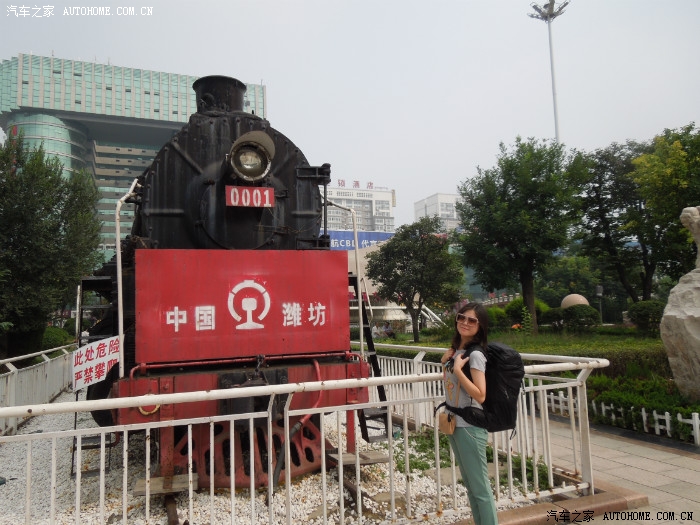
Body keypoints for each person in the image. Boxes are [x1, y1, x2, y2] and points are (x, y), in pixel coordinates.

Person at [440, 302, 498, 525]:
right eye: (461, 317)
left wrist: (457, 370)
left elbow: (480, 395)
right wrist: (446, 362)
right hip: (455, 423)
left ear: (480, 326)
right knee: (472, 487)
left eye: (472, 320)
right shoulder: (457, 351)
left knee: (480, 489)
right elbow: (451, 385)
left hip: (470, 427)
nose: (465, 322)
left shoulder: (475, 355)